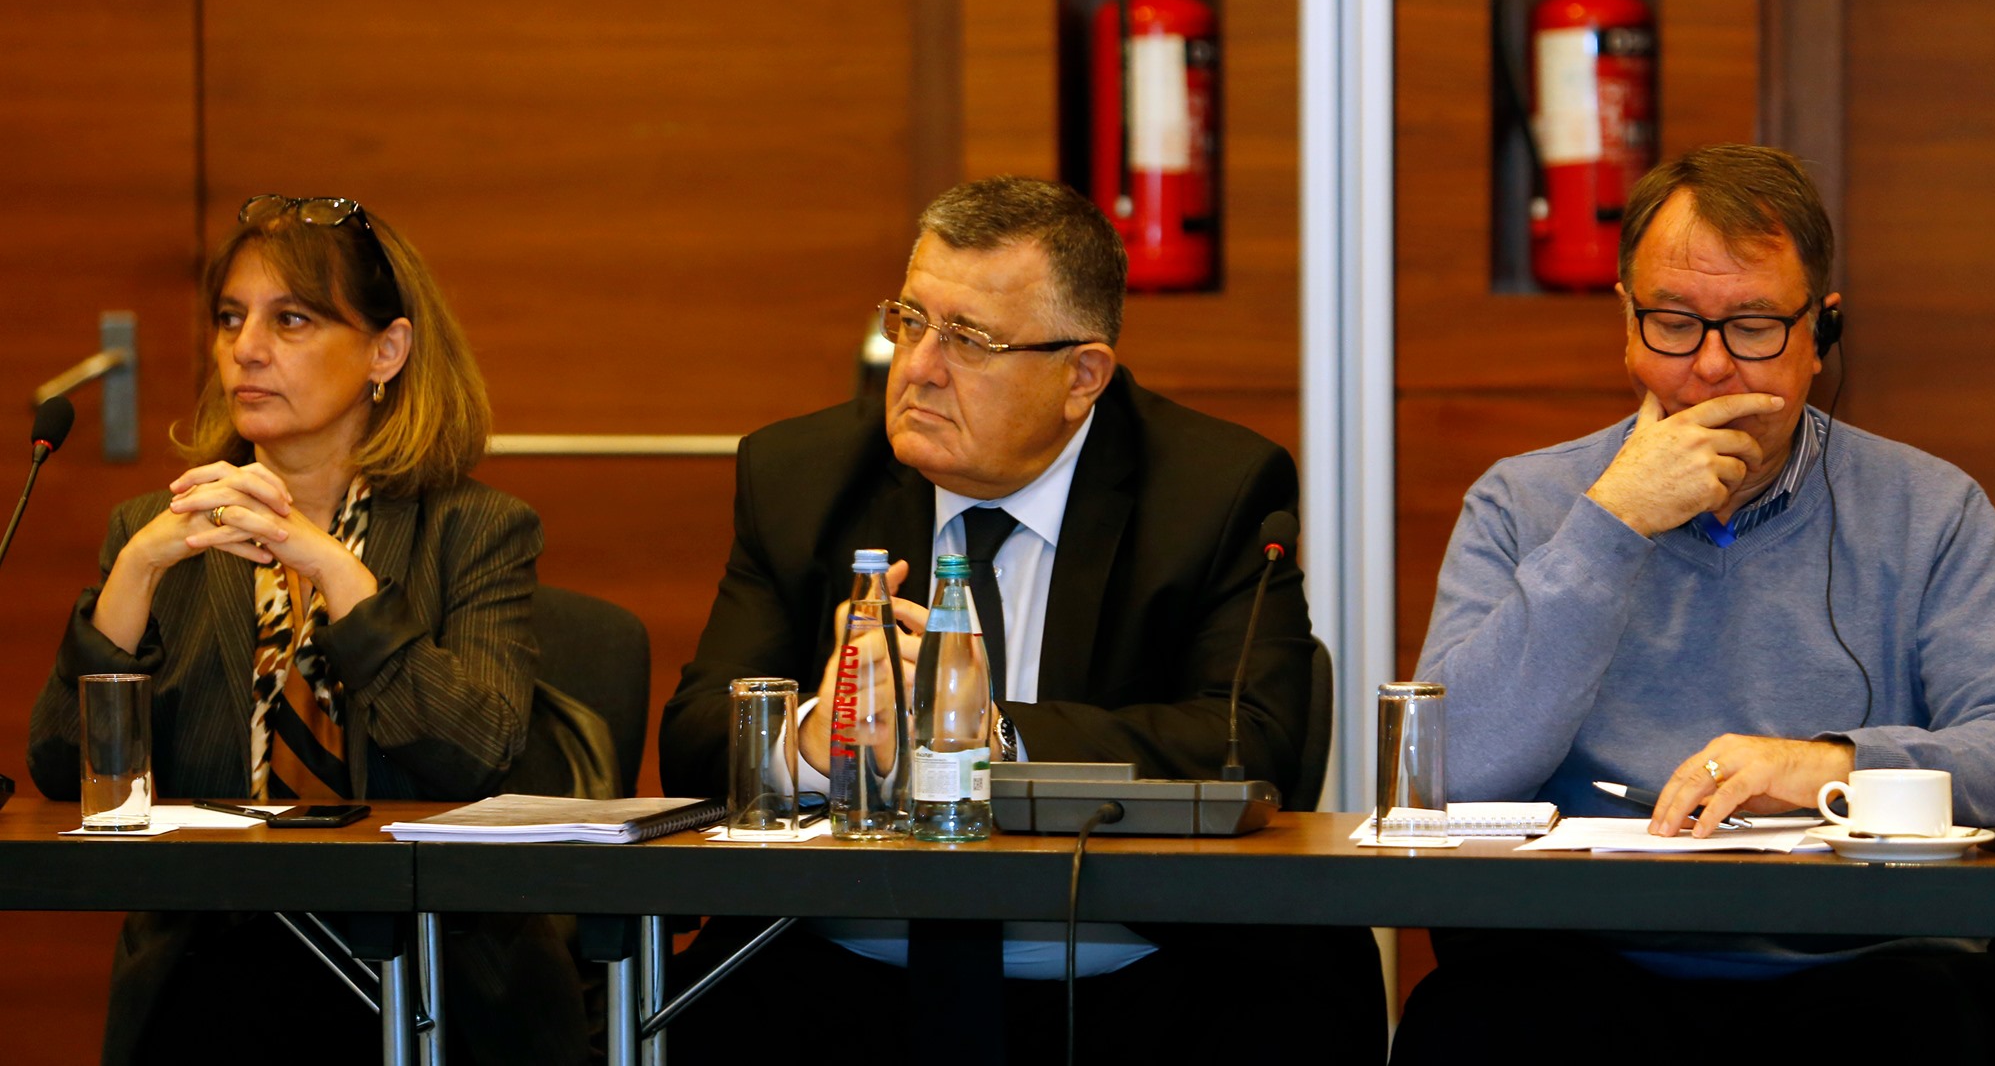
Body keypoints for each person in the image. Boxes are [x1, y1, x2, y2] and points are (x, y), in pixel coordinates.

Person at [659, 176, 1376, 1058]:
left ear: (1082, 376)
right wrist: (820, 734)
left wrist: (990, 737)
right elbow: (694, 740)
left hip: (1134, 974)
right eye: (911, 321)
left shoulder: (1215, 490)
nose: (918, 367)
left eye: (969, 340)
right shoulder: (800, 477)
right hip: (840, 970)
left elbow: (1249, 743)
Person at [1394, 145, 1995, 1060]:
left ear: (1819, 335)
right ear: (1626, 325)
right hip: (1585, 963)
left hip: (1863, 965)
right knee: (1474, 1028)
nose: (1710, 367)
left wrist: (1825, 767)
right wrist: (1613, 523)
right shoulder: (1523, 502)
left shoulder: (1930, 509)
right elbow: (1445, 774)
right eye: (1673, 323)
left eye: (1753, 327)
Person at [28, 195, 590, 1066]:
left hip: (429, 967)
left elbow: (475, 753)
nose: (245, 349)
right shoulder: (157, 530)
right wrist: (135, 573)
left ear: (386, 351)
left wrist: (335, 571)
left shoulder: (475, 529)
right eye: (230, 318)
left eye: (290, 320)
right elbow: (65, 773)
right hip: (212, 972)